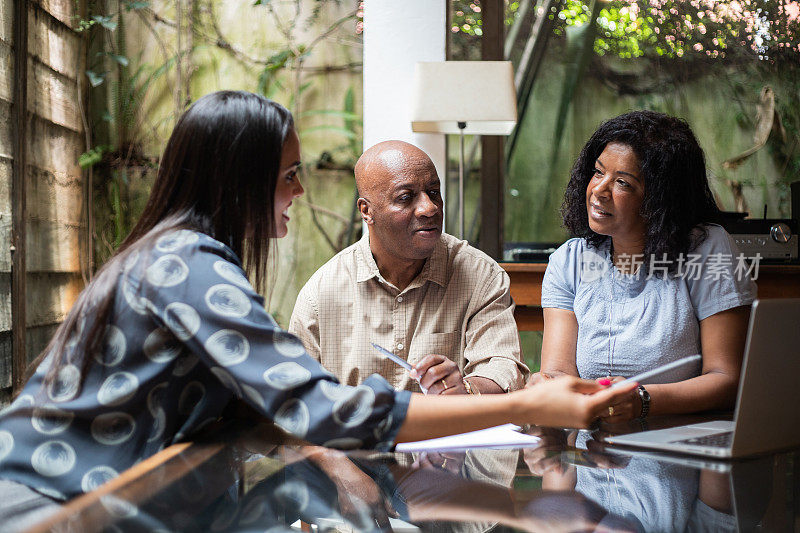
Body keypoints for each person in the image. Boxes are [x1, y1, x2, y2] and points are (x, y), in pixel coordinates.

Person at [0, 91, 635, 531]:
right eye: (290, 174)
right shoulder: (186, 266)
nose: (301, 191)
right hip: (45, 510)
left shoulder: (180, 257)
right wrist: (526, 406)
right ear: (240, 180)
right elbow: (320, 410)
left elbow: (269, 417)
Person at [537, 110, 756, 423]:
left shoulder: (707, 249)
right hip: (594, 452)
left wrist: (641, 400)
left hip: (682, 446)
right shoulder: (569, 261)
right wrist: (548, 386)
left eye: (623, 183)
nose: (599, 190)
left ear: (660, 200)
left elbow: (726, 379)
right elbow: (558, 372)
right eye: (598, 173)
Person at [289, 140, 528, 395]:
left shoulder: (481, 276)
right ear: (366, 210)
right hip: (362, 436)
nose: (430, 208)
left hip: (448, 434)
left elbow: (503, 370)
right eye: (405, 198)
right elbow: (296, 397)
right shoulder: (322, 293)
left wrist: (466, 389)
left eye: (434, 192)